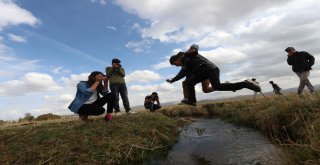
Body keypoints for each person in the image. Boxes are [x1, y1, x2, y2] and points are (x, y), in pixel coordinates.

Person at [166, 44, 261, 106]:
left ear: (177, 59)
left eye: (175, 64)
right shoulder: (185, 66)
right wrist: (172, 80)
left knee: (217, 86)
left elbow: (195, 46)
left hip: (210, 69)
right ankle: (192, 101)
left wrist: (194, 48)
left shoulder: (186, 55)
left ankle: (245, 84)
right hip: (203, 73)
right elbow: (181, 74)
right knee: (188, 82)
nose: (176, 66)